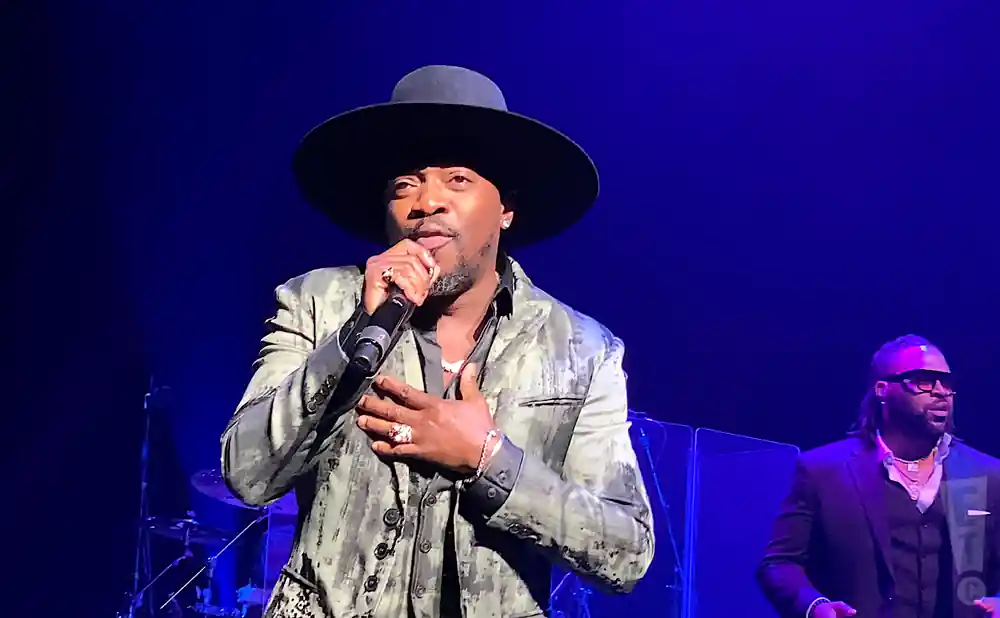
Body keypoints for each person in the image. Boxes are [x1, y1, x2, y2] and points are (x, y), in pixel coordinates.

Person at [221, 65, 655, 618]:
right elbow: (246, 472)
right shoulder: (317, 302)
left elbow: (627, 551)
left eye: (457, 180)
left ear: (505, 209)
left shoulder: (582, 351)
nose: (426, 201)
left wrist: (487, 459)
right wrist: (355, 332)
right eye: (405, 185)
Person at [756, 335, 1000, 618]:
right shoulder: (822, 471)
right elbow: (779, 564)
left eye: (946, 383)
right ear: (883, 389)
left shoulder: (987, 474)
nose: (940, 391)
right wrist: (814, 606)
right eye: (923, 380)